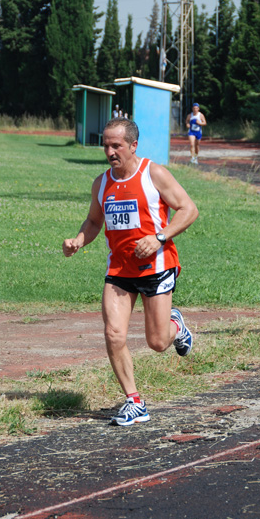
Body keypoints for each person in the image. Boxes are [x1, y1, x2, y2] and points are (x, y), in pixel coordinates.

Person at [63, 117, 199, 426]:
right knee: (113, 333)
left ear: (133, 145)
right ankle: (134, 402)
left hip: (156, 266)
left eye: (116, 145)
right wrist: (79, 241)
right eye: (106, 145)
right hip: (120, 268)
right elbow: (94, 221)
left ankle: (175, 325)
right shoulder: (102, 183)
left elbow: (189, 209)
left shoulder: (154, 174)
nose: (110, 151)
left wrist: (159, 237)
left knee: (157, 342)